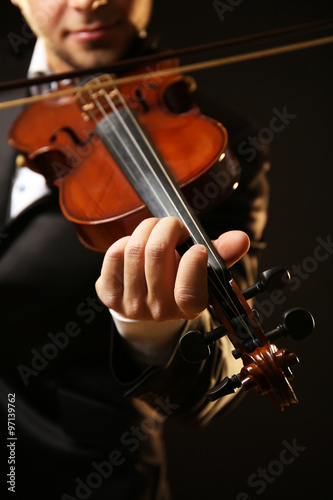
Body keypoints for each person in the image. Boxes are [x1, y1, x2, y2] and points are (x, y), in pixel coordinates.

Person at [0, 1, 269, 499]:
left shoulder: (219, 139)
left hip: (87, 473)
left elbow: (212, 380)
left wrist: (155, 335)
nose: (89, 2)